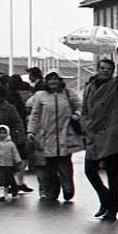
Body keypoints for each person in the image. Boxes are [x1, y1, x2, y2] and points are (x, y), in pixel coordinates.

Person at [81, 54, 118, 221]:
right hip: (94, 133)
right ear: (97, 69)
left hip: (111, 135)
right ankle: (106, 199)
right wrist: (86, 125)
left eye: (109, 69)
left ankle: (112, 209)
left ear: (112, 72)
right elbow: (84, 110)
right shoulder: (89, 87)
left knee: (112, 174)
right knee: (89, 170)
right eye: (102, 68)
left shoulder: (116, 85)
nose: (105, 71)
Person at [26, 69, 84, 202]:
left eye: (55, 79)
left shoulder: (69, 94)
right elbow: (35, 116)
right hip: (46, 137)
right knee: (49, 166)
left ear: (60, 80)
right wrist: (31, 131)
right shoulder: (40, 96)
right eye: (50, 79)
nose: (53, 82)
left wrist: (76, 115)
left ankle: (68, 188)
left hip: (65, 136)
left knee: (65, 163)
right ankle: (51, 190)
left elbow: (82, 107)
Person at [0, 86, 32, 193]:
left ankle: (8, 185)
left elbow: (18, 123)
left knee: (7, 166)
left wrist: (20, 137)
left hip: (7, 142)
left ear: (1, 96)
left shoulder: (10, 109)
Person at [0, 125, 21, 201]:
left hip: (8, 164)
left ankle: (11, 191)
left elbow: (15, 153)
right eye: (0, 133)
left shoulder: (10, 144)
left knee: (9, 178)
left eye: (4, 132)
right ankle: (0, 194)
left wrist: (18, 160)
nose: (2, 134)